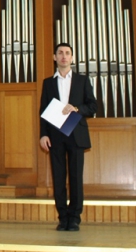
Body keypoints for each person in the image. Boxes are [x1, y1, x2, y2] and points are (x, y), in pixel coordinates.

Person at [39, 42, 97, 232]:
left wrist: (77, 108)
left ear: (72, 57)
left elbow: (93, 106)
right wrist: (43, 134)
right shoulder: (48, 83)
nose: (64, 56)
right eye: (60, 53)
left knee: (75, 177)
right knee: (58, 177)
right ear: (54, 57)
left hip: (76, 132)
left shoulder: (82, 80)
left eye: (67, 53)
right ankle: (62, 217)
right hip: (55, 134)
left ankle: (74, 218)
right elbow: (43, 110)